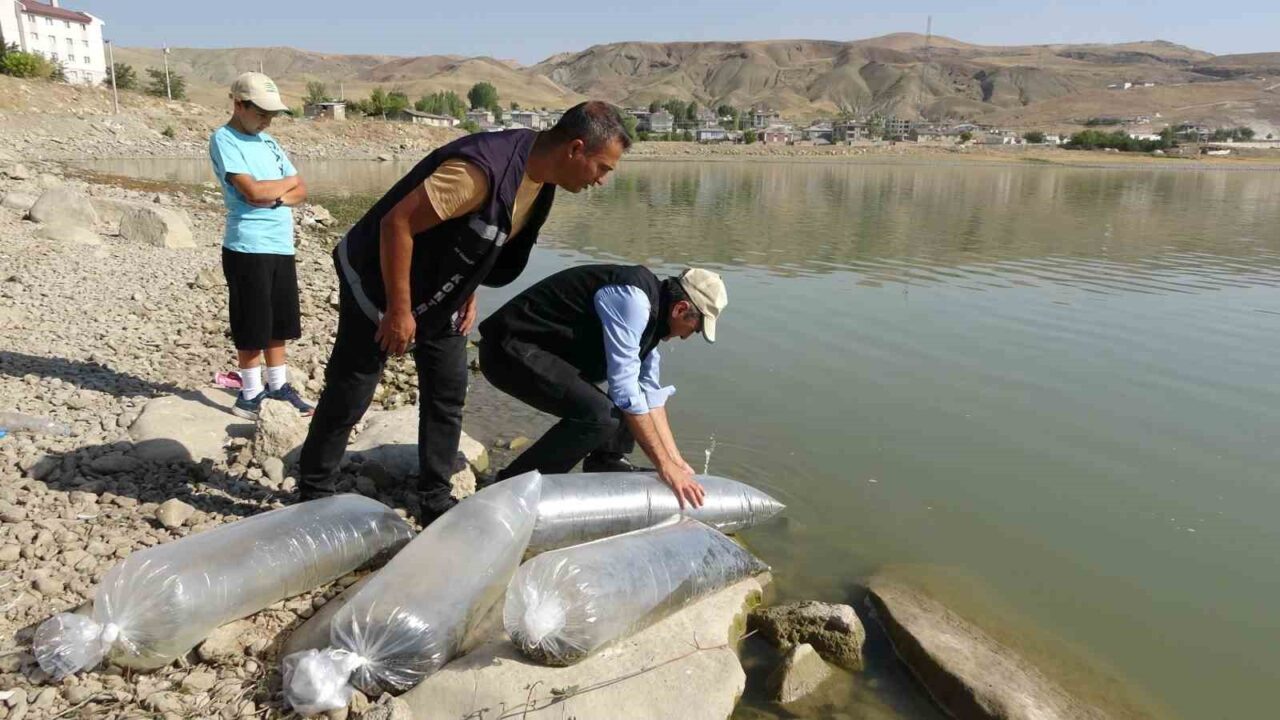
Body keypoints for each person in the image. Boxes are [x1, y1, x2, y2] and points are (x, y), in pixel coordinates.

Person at [298, 101, 632, 519]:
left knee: (447, 392)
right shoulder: (478, 173)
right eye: (602, 167)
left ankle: (434, 500)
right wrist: (399, 310)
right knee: (354, 387)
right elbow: (396, 225)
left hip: (442, 290)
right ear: (575, 149)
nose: (601, 180)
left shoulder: (539, 179)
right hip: (376, 277)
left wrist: (467, 286)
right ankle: (314, 493)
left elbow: (480, 237)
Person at [478, 264, 728, 509]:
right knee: (600, 417)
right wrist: (664, 465)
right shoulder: (632, 300)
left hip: (538, 353)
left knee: (628, 402)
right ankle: (509, 490)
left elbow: (650, 395)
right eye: (694, 329)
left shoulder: (652, 319)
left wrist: (676, 462)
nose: (686, 336)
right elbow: (624, 390)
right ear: (681, 309)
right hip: (507, 350)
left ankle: (606, 461)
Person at [209, 72, 313, 420]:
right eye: (261, 113)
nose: (267, 120)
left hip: (280, 244)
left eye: (272, 114)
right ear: (239, 104)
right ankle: (250, 394)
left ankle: (278, 386)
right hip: (247, 245)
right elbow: (252, 192)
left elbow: (301, 189)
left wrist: (276, 195)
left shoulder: (269, 143)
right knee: (252, 321)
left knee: (279, 321)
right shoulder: (225, 139)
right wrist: (283, 186)